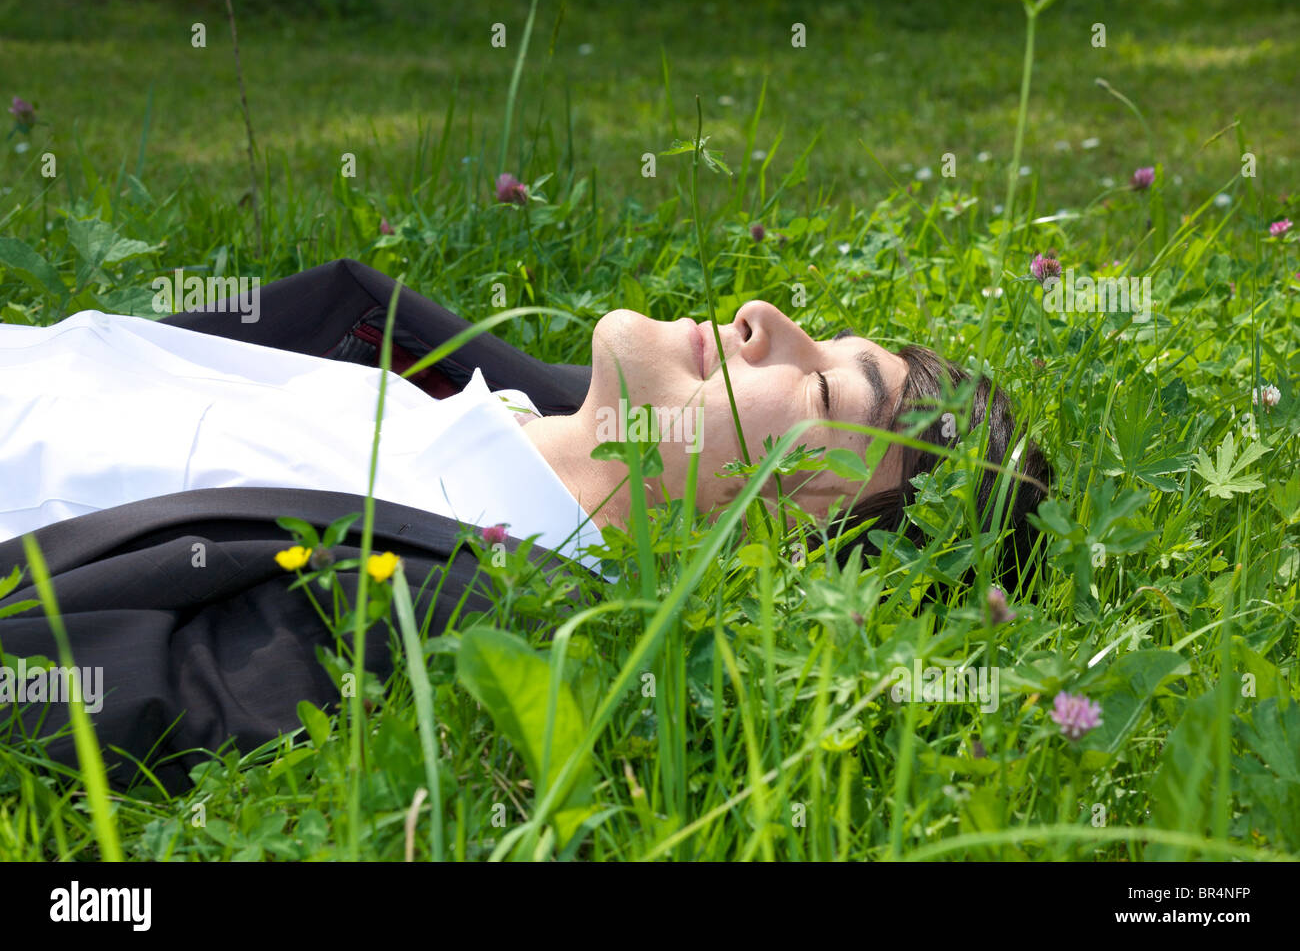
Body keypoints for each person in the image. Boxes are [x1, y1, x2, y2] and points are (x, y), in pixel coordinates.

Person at [0, 259, 1049, 790]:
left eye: (821, 390)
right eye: (822, 336)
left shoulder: (428, 628)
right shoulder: (453, 375)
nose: (765, 320)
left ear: (793, 555)